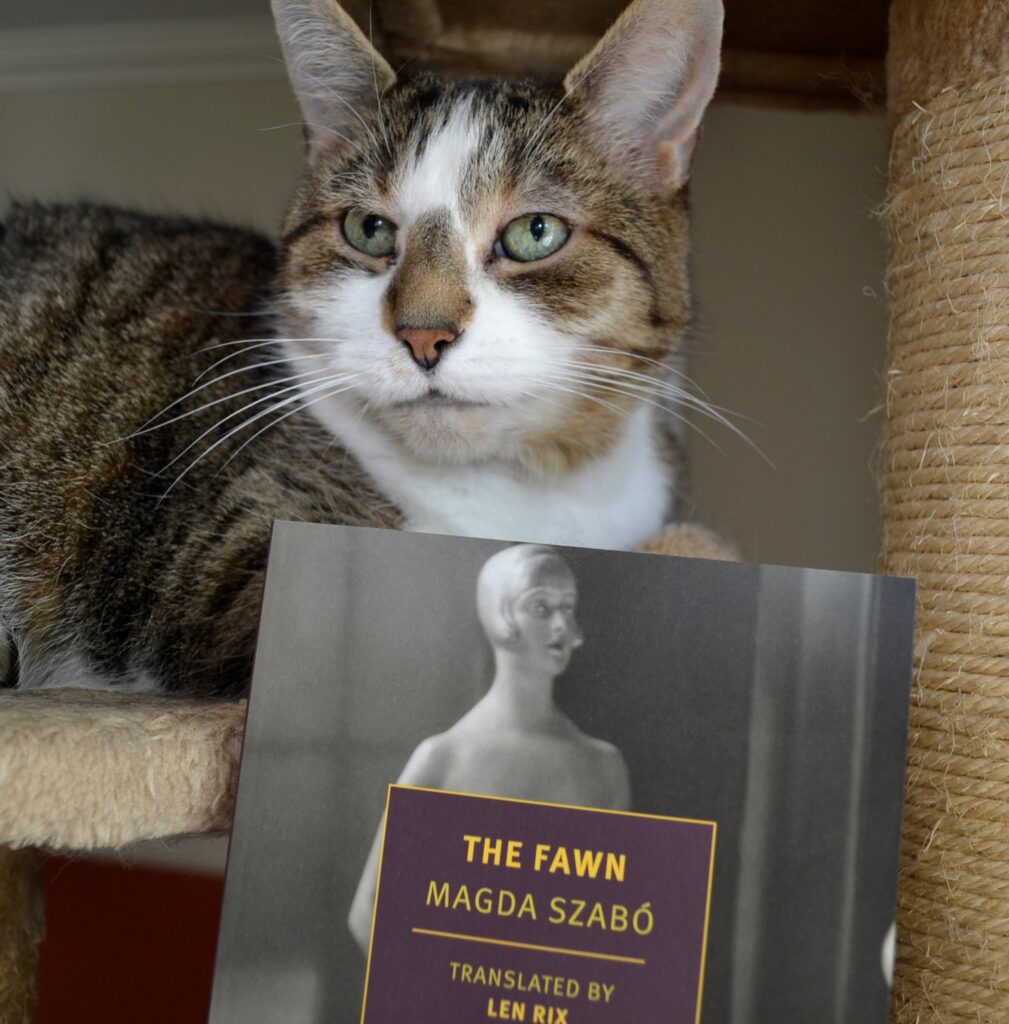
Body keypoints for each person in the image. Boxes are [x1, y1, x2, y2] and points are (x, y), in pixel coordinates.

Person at [347, 544, 631, 952]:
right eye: (541, 608)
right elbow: (369, 912)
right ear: (502, 616)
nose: (561, 627)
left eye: (568, 608)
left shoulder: (603, 766)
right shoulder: (442, 759)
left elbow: (611, 926)